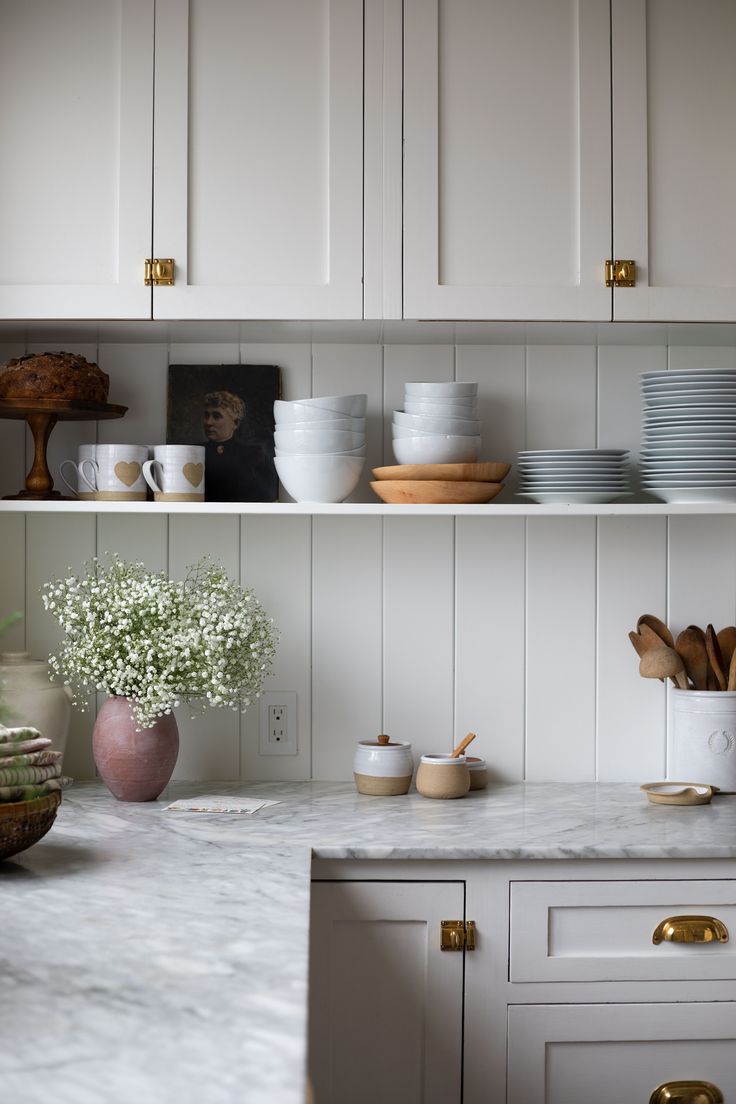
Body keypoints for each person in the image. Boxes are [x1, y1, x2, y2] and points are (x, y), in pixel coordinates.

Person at [202, 389, 275, 502]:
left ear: (235, 423)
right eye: (206, 416)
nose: (208, 422)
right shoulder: (195, 453)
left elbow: (266, 496)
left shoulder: (253, 455)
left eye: (216, 416)